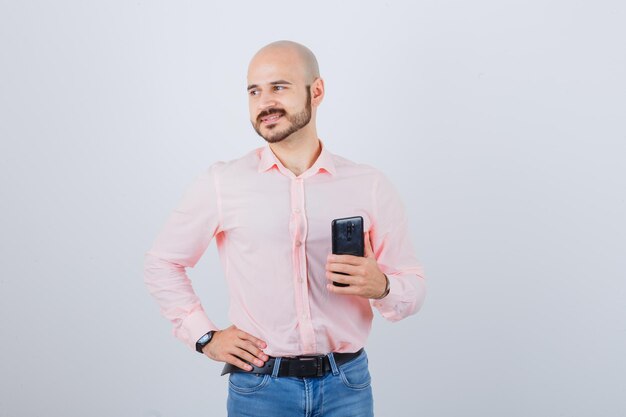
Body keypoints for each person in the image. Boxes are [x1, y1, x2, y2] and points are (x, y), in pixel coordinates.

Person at [144, 40, 426, 417]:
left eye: (278, 87)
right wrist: (204, 337)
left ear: (317, 91)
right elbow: (162, 263)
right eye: (254, 91)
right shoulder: (223, 183)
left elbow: (413, 284)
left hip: (347, 386)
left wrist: (384, 287)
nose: (264, 102)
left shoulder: (368, 185)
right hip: (259, 387)